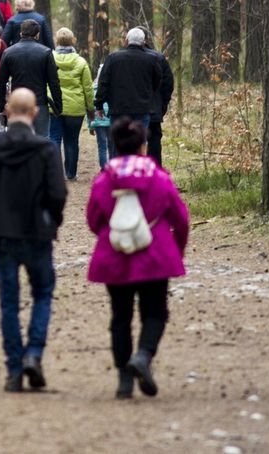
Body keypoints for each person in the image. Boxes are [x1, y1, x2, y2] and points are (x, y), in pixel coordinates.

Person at [0, 88, 67, 392]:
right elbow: (58, 193)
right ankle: (33, 354)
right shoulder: (46, 150)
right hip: (37, 232)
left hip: (2, 233)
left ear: (8, 111)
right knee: (43, 293)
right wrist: (52, 221)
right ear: (35, 113)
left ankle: (13, 367)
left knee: (9, 301)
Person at [85, 118, 189, 399]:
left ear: (116, 145)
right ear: (143, 146)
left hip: (115, 256)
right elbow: (181, 220)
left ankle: (123, 380)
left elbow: (93, 219)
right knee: (155, 313)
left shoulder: (104, 179)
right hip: (155, 256)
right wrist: (175, 252)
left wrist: (112, 236)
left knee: (120, 317)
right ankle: (142, 356)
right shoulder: (159, 177)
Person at [0, 19, 62, 138]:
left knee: (17, 141)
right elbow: (54, 82)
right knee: (42, 140)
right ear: (37, 35)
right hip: (39, 103)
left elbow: (1, 81)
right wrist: (58, 105)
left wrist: (2, 104)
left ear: (21, 33)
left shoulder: (8, 52)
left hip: (17, 104)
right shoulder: (46, 52)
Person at [94, 28, 163, 137]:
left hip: (118, 109)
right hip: (142, 108)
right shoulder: (152, 60)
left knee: (119, 143)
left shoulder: (113, 58)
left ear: (126, 40)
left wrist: (99, 105)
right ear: (143, 42)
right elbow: (157, 80)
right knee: (139, 143)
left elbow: (103, 83)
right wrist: (148, 94)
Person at [49, 28, 94, 181]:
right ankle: (71, 173)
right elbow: (88, 88)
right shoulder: (81, 62)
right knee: (72, 140)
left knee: (54, 138)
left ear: (57, 41)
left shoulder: (50, 58)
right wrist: (91, 108)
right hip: (76, 108)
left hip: (54, 106)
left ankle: (54, 173)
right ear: (72, 41)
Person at [142, 31, 174, 168]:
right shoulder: (158, 58)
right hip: (153, 108)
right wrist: (163, 104)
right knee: (154, 141)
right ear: (147, 39)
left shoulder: (118, 57)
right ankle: (155, 173)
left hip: (128, 109)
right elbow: (168, 83)